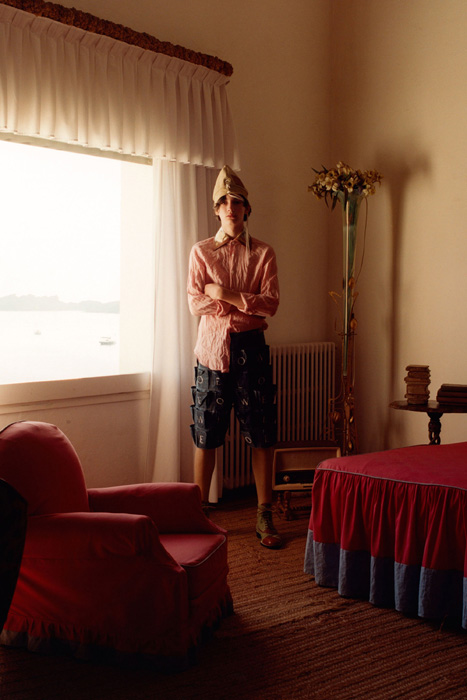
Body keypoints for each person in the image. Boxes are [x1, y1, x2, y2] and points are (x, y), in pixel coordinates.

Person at [187, 165, 282, 549]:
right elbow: (195, 303)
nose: (231, 207)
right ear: (216, 209)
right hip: (212, 352)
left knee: (261, 432)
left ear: (246, 208)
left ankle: (264, 513)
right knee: (206, 432)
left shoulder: (263, 253)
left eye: (237, 201)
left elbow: (270, 304)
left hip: (251, 350)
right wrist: (243, 304)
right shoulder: (200, 251)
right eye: (224, 201)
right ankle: (197, 515)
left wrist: (223, 294)